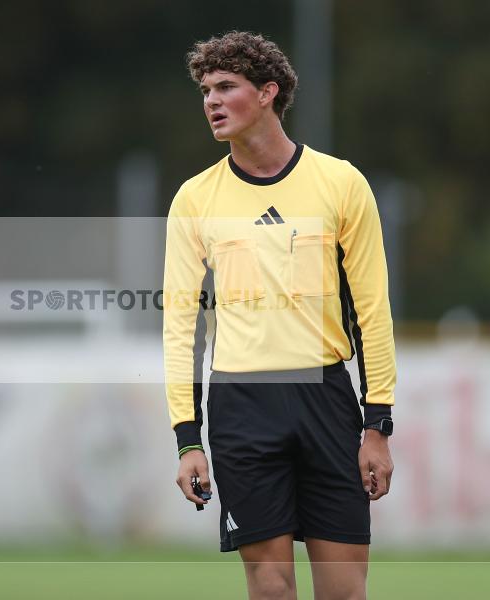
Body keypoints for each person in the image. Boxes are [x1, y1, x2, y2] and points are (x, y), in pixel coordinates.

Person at [162, 31, 396, 600]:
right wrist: (187, 439)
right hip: (242, 404)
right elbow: (182, 327)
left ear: (268, 93)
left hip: (326, 399)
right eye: (205, 90)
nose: (211, 102)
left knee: (343, 590)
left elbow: (372, 310)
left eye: (225, 87)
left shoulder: (341, 183)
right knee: (270, 586)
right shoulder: (195, 198)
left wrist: (378, 424)